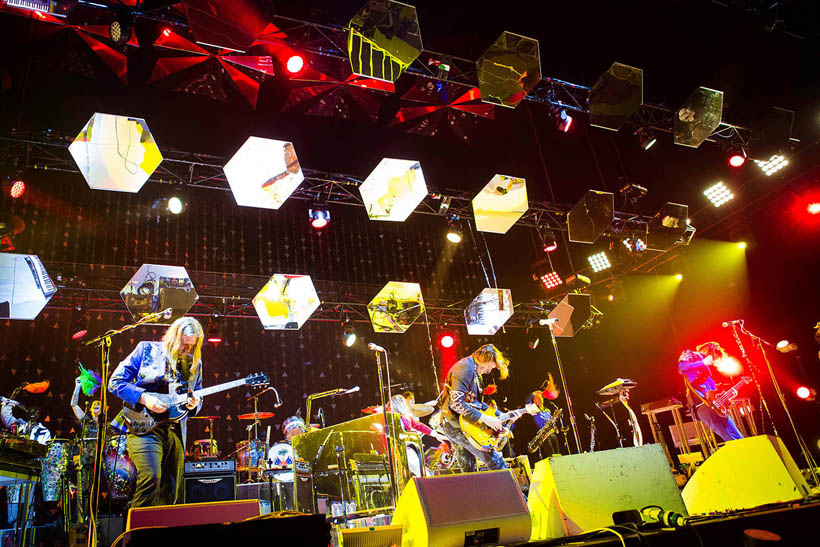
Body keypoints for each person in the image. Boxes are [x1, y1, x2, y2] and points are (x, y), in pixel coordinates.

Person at [108, 316, 204, 507]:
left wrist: (195, 404)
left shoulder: (195, 364)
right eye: (184, 344)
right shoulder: (147, 349)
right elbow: (115, 382)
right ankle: (136, 534)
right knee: (151, 478)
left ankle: (161, 534)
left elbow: (198, 395)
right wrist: (145, 398)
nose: (187, 350)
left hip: (175, 430)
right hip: (143, 426)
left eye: (192, 346)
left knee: (171, 488)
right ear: (174, 337)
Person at [439, 344, 510, 471]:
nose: (488, 371)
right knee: (494, 460)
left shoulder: (474, 371)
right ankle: (512, 490)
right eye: (489, 366)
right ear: (482, 359)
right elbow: (457, 404)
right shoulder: (464, 368)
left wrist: (500, 415)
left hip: (458, 424)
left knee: (469, 468)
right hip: (455, 424)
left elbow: (476, 404)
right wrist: (486, 419)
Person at [678, 342, 743, 442]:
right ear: (709, 350)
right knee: (728, 437)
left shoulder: (707, 369)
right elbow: (682, 368)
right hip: (702, 405)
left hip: (717, 405)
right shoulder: (690, 354)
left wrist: (727, 396)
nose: (715, 360)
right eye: (715, 356)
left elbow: (712, 391)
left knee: (738, 436)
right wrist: (703, 362)